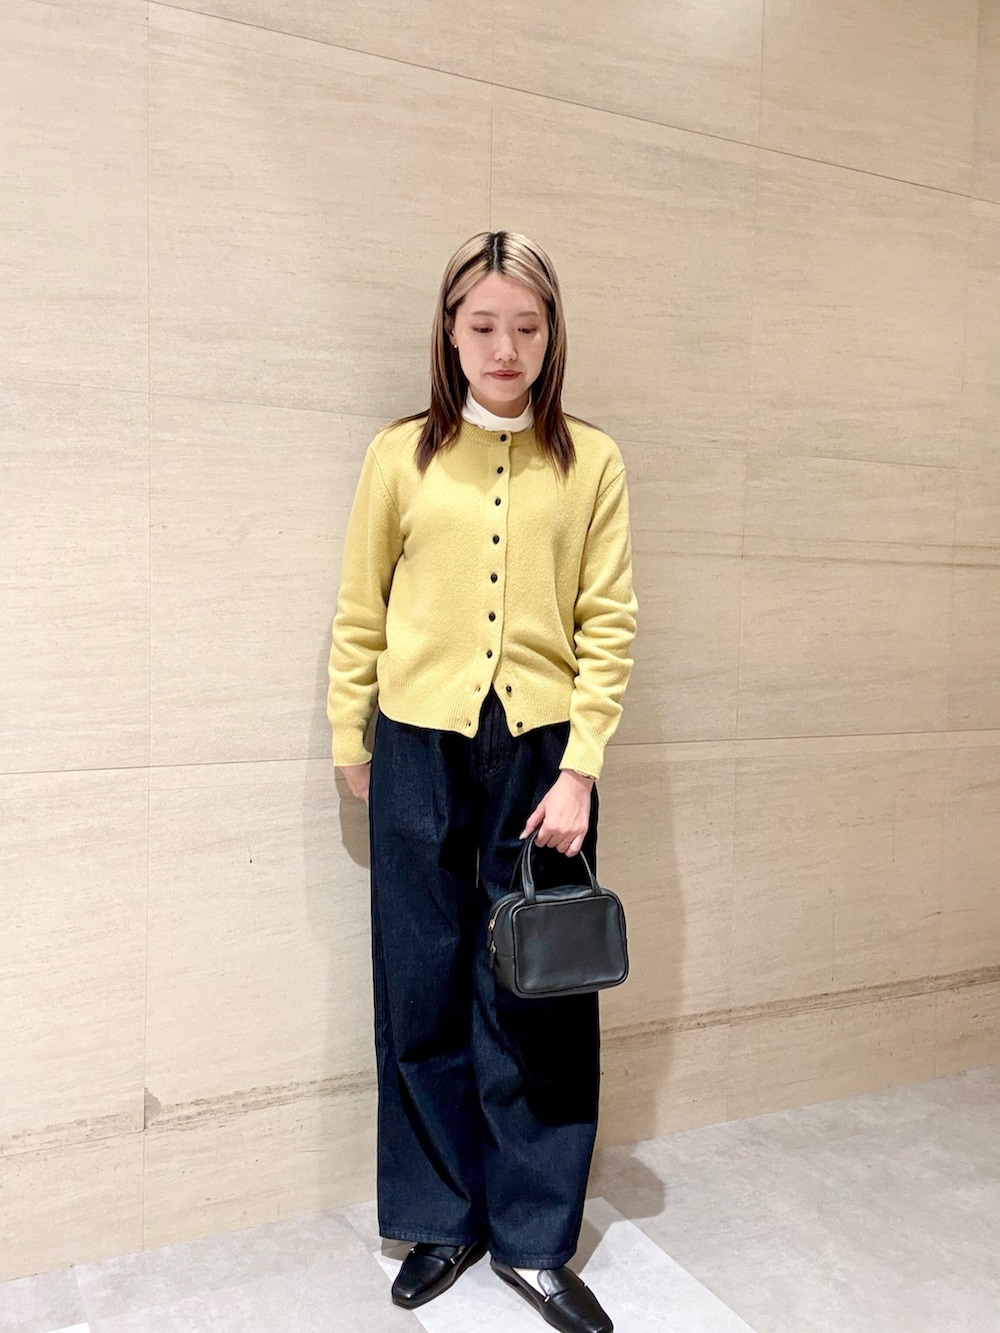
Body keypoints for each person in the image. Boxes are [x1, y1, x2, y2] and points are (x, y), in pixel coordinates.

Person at [327, 230, 637, 1333]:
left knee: (537, 992)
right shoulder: (399, 456)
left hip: (543, 755)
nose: (505, 348)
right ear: (449, 334)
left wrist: (583, 766)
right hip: (415, 743)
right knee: (419, 982)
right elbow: (361, 606)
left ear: (553, 336)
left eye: (526, 326)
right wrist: (349, 734)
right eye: (483, 325)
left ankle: (536, 1237)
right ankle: (439, 1218)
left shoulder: (590, 461)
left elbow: (608, 622)